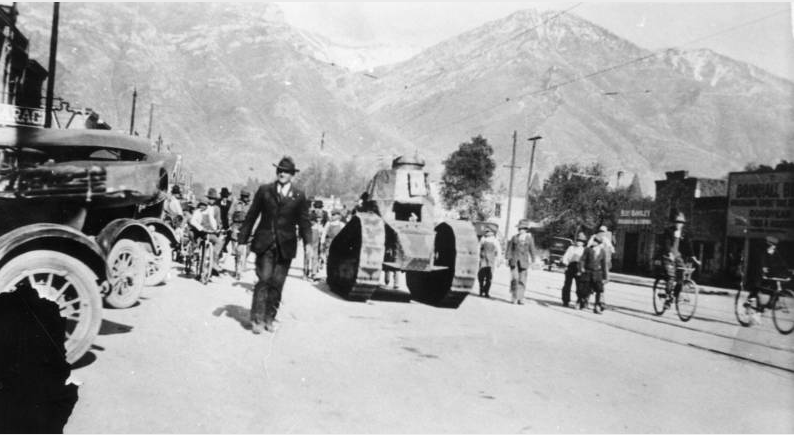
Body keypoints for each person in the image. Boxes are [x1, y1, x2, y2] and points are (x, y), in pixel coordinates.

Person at [237, 156, 312, 334]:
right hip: (265, 243)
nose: (282, 173)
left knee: (277, 284)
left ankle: (269, 318)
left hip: (286, 246)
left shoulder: (299, 195)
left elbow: (304, 222)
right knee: (263, 280)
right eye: (279, 170)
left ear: (292, 175)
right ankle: (257, 319)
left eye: (286, 171)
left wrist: (308, 243)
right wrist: (242, 241)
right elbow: (252, 216)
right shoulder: (265, 190)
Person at [657, 210, 696, 310]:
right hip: (667, 256)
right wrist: (669, 252)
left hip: (678, 257)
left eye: (682, 223)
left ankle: (674, 296)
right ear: (674, 222)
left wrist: (693, 256)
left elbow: (689, 245)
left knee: (681, 277)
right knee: (671, 276)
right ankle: (668, 297)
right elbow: (666, 243)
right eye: (678, 222)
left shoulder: (683, 233)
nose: (680, 224)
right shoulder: (668, 231)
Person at [747, 236, 790, 311]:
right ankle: (749, 302)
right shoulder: (763, 253)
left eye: (774, 246)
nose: (773, 248)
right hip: (759, 273)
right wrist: (764, 268)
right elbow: (762, 263)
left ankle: (771, 303)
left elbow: (782, 263)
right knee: (757, 287)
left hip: (769, 274)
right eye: (771, 246)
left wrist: (788, 270)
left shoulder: (775, 254)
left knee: (775, 289)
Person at [505, 219, 537, 304]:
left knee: (522, 280)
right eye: (519, 228)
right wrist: (507, 258)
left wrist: (534, 261)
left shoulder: (529, 238)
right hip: (514, 261)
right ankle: (514, 296)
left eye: (522, 228)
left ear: (526, 229)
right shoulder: (514, 237)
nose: (520, 230)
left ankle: (520, 297)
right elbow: (509, 249)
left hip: (524, 262)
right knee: (514, 279)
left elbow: (532, 250)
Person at [579, 234, 609, 313]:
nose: (594, 242)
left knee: (599, 290)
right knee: (585, 290)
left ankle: (597, 306)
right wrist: (581, 268)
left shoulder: (602, 251)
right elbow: (582, 259)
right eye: (594, 241)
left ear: (599, 243)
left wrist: (605, 277)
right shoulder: (588, 250)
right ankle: (583, 302)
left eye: (596, 241)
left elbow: (604, 265)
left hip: (597, 273)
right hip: (588, 272)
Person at [229, 189, 253, 279]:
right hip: (236, 224)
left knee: (249, 246)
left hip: (247, 225)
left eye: (246, 196)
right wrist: (230, 223)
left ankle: (244, 259)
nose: (245, 198)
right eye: (243, 196)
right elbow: (230, 213)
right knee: (236, 245)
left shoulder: (251, 204)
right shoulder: (236, 203)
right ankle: (237, 268)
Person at [561, 232, 587, 308]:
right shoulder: (571, 248)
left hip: (579, 268)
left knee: (579, 286)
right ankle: (566, 300)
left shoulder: (584, 250)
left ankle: (579, 301)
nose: (579, 242)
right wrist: (566, 264)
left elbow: (585, 260)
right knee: (567, 285)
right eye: (578, 240)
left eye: (581, 241)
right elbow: (565, 257)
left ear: (583, 243)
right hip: (570, 267)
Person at [478, 228, 501, 298]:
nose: (487, 233)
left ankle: (486, 291)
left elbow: (499, 250)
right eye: (486, 232)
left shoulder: (495, 240)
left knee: (489, 276)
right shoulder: (483, 239)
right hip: (483, 259)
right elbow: (478, 247)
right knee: (481, 276)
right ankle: (481, 290)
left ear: (492, 233)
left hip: (491, 260)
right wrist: (478, 257)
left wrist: (499, 260)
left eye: (488, 232)